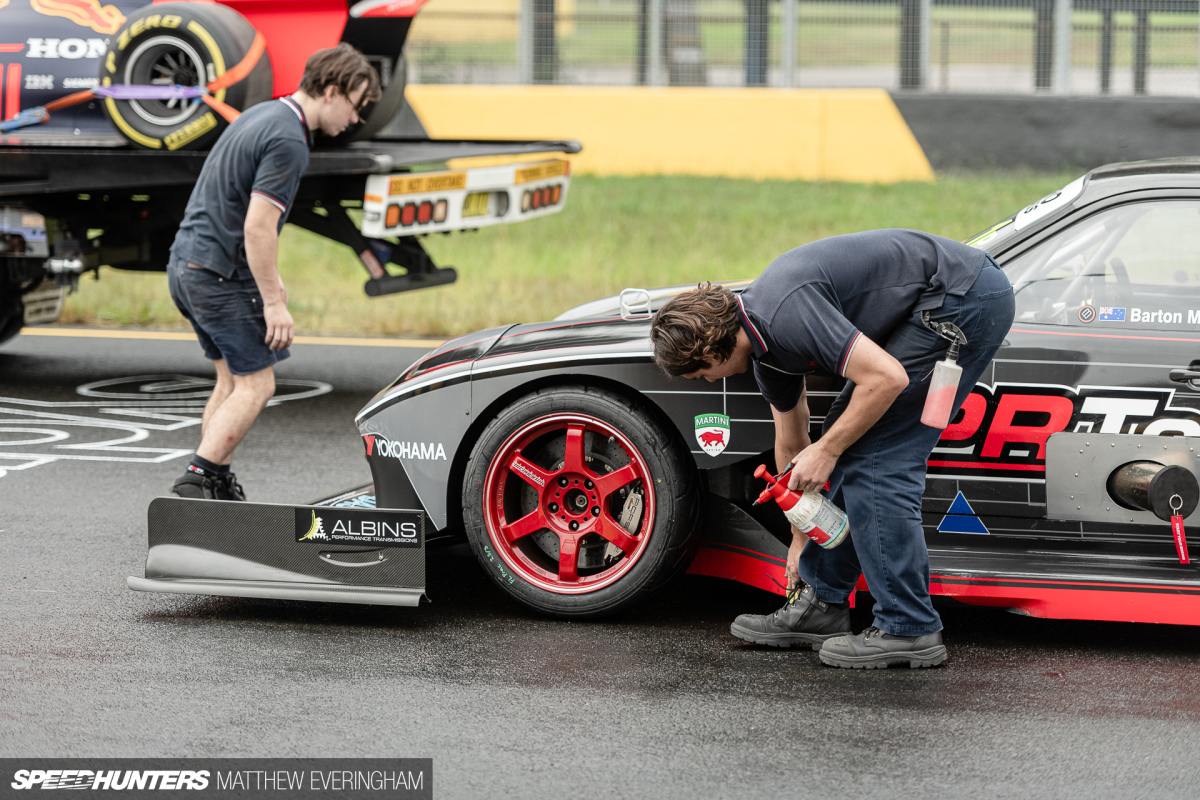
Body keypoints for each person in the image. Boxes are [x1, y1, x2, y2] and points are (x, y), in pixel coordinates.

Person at [650, 229, 1015, 669]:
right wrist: (799, 536)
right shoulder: (766, 351)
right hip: (940, 297)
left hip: (963, 297)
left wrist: (827, 450)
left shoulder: (785, 313)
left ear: (711, 347)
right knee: (848, 434)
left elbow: (887, 379)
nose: (709, 381)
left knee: (877, 458)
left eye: (702, 374)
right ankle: (822, 605)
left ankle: (909, 626)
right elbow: (791, 439)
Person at [167, 44, 381, 500]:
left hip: (189, 265)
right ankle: (196, 480)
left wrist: (268, 279)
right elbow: (259, 225)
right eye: (357, 104)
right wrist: (272, 302)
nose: (358, 118)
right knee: (258, 384)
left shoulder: (263, 114)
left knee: (231, 381)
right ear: (330, 91)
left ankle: (216, 481)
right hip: (218, 273)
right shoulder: (288, 139)